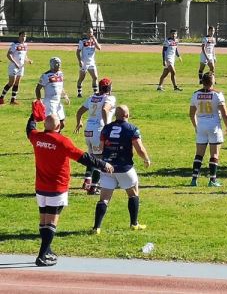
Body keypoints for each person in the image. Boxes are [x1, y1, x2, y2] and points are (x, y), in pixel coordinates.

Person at [26, 112, 113, 266]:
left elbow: (29, 129)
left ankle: (47, 250)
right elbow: (84, 157)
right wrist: (103, 165)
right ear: (59, 126)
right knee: (52, 221)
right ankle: (41, 256)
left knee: (44, 220)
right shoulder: (63, 142)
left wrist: (33, 115)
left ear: (44, 125)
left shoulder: (36, 138)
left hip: (40, 186)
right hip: (57, 187)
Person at [91, 105, 151, 233]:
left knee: (104, 198)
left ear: (115, 115)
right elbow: (139, 148)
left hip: (108, 167)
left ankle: (97, 227)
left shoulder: (106, 129)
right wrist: (146, 159)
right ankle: (134, 224)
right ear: (127, 115)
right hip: (124, 168)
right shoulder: (132, 129)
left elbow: (100, 148)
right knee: (133, 194)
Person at [75, 77, 116, 194]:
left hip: (88, 131)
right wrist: (107, 126)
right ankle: (94, 187)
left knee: (92, 158)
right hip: (99, 131)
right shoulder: (109, 98)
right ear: (110, 88)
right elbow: (104, 110)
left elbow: (79, 111)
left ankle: (87, 181)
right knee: (99, 159)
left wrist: (79, 122)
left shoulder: (91, 97)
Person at [189, 72, 227, 187]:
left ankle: (194, 179)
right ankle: (212, 180)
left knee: (199, 154)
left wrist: (196, 126)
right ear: (212, 81)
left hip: (201, 126)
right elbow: (225, 113)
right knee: (214, 154)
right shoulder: (217, 94)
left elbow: (191, 114)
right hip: (214, 126)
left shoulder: (195, 94)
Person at [35, 57, 70, 131]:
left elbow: (60, 86)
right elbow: (38, 89)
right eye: (57, 64)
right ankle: (47, 139)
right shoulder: (45, 75)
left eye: (60, 64)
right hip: (50, 102)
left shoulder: (60, 74)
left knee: (62, 123)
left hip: (58, 102)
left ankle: (56, 137)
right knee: (51, 124)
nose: (59, 65)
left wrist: (65, 95)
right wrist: (39, 101)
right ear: (52, 65)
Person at [0, 31, 32, 105]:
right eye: (22, 36)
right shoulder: (14, 44)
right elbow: (8, 55)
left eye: (25, 36)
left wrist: (28, 60)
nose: (24, 37)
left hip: (21, 67)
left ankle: (13, 100)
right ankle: (1, 98)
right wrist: (15, 63)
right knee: (11, 83)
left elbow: (24, 56)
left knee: (17, 83)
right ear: (19, 36)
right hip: (13, 66)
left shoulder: (25, 45)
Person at [76, 27, 102, 98]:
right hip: (84, 62)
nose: (90, 33)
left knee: (95, 77)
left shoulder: (94, 40)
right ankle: (79, 93)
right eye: (89, 32)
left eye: (91, 32)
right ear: (86, 33)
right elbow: (78, 52)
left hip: (91, 62)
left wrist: (95, 41)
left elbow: (99, 48)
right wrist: (80, 61)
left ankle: (95, 93)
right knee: (81, 78)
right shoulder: (83, 41)